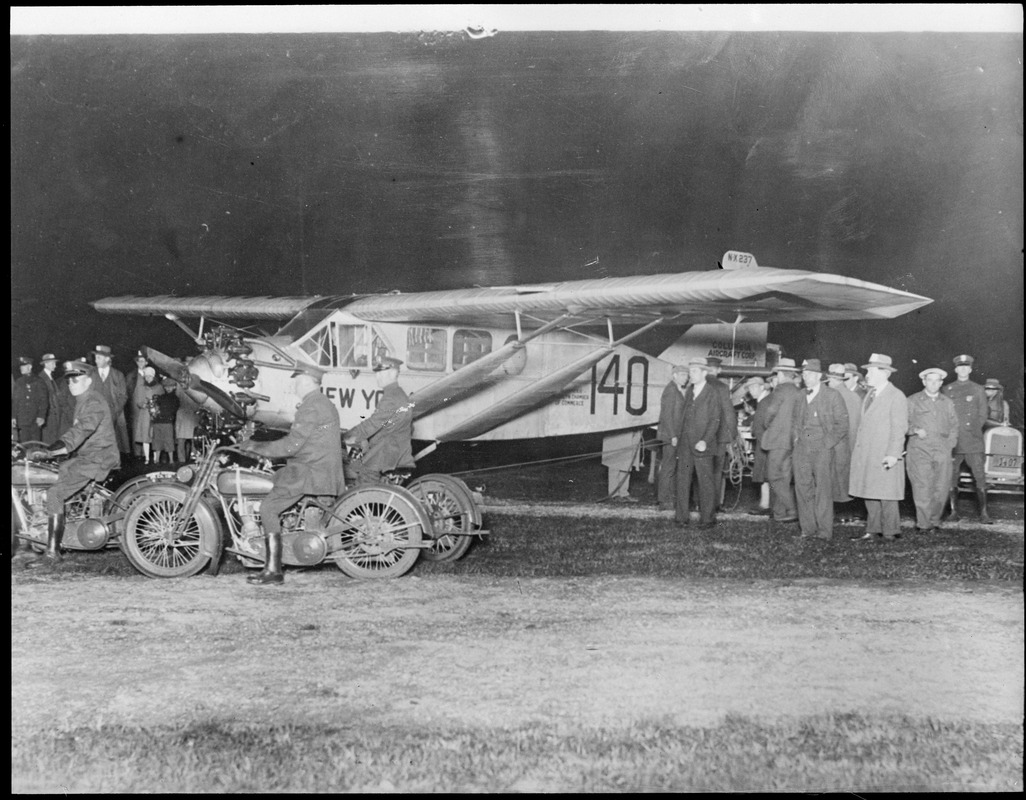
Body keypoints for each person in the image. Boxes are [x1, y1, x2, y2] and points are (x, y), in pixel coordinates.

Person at [241, 364, 345, 585]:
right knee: (274, 481)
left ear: (307, 381)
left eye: (296, 382)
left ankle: (273, 571)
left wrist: (255, 447)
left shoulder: (311, 406)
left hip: (309, 471)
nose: (294, 386)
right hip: (317, 468)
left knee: (268, 507)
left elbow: (292, 446)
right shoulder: (321, 403)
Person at [24, 361, 121, 565]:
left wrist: (52, 450)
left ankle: (52, 553)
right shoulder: (84, 399)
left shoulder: (93, 401)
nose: (71, 383)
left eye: (76, 379)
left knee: (55, 493)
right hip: (89, 456)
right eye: (68, 380)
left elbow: (81, 430)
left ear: (89, 380)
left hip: (97, 459)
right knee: (57, 472)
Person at [849, 354, 908, 542]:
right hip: (868, 453)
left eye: (871, 371)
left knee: (887, 494)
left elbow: (900, 428)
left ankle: (891, 532)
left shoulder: (896, 395)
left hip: (884, 453)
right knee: (870, 492)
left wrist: (893, 454)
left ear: (884, 373)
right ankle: (873, 530)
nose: (867, 374)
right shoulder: (870, 394)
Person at [791, 359, 849, 540]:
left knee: (823, 490)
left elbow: (842, 424)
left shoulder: (832, 395)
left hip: (822, 449)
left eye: (809, 374)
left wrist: (826, 444)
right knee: (802, 487)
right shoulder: (800, 395)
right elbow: (795, 421)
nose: (805, 377)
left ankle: (824, 531)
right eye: (803, 374)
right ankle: (807, 529)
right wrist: (796, 440)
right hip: (802, 449)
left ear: (818, 376)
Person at [344, 357, 416, 486]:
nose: (377, 376)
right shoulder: (400, 395)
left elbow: (372, 424)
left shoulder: (391, 398)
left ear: (393, 373)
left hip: (385, 456)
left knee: (361, 483)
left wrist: (347, 435)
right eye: (377, 373)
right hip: (398, 452)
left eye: (381, 373)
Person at [906, 366, 959, 533]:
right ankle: (923, 524)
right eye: (930, 380)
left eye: (937, 381)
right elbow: (902, 423)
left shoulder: (947, 402)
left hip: (942, 450)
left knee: (941, 487)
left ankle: (934, 521)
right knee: (922, 486)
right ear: (924, 381)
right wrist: (914, 430)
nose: (933, 384)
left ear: (941, 382)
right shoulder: (913, 400)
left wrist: (950, 445)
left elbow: (954, 426)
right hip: (920, 450)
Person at [673, 357, 722, 530]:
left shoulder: (712, 393)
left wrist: (704, 440)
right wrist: (677, 438)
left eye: (694, 371)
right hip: (686, 445)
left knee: (705, 482)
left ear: (704, 373)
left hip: (702, 445)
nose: (690, 375)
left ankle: (708, 519)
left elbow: (715, 420)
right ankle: (681, 517)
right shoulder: (689, 392)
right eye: (690, 371)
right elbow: (684, 417)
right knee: (682, 481)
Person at [941, 354, 991, 524]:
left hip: (972, 440)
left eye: (966, 367)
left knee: (979, 475)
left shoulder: (978, 389)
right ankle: (954, 512)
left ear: (970, 369)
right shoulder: (947, 389)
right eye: (959, 367)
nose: (963, 369)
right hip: (954, 441)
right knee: (951, 475)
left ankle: (984, 513)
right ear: (955, 369)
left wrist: (973, 429)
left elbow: (983, 414)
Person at [758, 357, 801, 523]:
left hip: (777, 440)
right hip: (791, 441)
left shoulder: (780, 390)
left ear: (782, 374)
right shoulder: (798, 391)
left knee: (773, 476)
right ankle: (780, 513)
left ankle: (791, 508)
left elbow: (770, 412)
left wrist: (768, 424)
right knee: (784, 477)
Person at [704, 357, 738, 512]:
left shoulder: (696, 385)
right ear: (718, 370)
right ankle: (714, 504)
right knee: (716, 471)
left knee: (700, 469)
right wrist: (733, 435)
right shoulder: (722, 387)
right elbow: (729, 413)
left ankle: (699, 502)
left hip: (699, 436)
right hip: (718, 437)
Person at [826, 363, 862, 507]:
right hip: (849, 445)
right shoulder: (854, 397)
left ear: (833, 379)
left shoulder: (832, 396)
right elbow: (855, 425)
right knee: (844, 482)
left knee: (834, 483)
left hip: (834, 446)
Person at [656, 364, 690, 510]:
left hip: (675, 435)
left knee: (671, 467)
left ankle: (668, 498)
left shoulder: (676, 389)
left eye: (687, 376)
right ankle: (664, 500)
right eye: (682, 375)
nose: (686, 378)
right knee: (668, 467)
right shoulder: (671, 390)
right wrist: (672, 435)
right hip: (671, 436)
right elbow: (667, 416)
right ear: (674, 376)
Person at [91, 345, 130, 458]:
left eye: (98, 357)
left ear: (107, 359)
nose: (95, 360)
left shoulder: (118, 375)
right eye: (95, 357)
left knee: (115, 444)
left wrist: (114, 412)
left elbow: (123, 396)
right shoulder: (90, 373)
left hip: (114, 414)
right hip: (95, 414)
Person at [744, 376, 772, 515]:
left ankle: (766, 504)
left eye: (754, 387)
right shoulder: (762, 401)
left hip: (765, 442)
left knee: (765, 473)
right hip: (763, 441)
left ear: (762, 387)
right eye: (749, 387)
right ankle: (764, 503)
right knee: (763, 474)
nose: (751, 390)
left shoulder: (766, 401)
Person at [12, 356, 47, 443]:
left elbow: (44, 400)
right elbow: (15, 401)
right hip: (22, 420)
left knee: (35, 445)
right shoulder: (18, 382)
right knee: (24, 445)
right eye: (20, 366)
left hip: (34, 420)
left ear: (30, 367)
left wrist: (41, 416)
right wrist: (13, 417)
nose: (21, 368)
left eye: (23, 366)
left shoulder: (38, 381)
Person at [132, 365, 163, 464]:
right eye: (146, 377)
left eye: (150, 376)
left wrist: (156, 406)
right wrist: (143, 404)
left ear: (153, 377)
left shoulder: (159, 387)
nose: (148, 378)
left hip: (155, 414)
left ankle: (155, 458)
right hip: (145, 414)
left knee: (155, 436)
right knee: (145, 437)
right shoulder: (141, 388)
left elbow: (162, 401)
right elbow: (138, 401)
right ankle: (147, 458)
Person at [174, 363, 202, 463]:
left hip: (189, 413)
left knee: (189, 440)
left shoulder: (179, 383)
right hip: (190, 413)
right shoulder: (197, 381)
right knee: (191, 439)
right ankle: (192, 459)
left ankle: (185, 460)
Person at [125, 351, 151, 460]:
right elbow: (127, 390)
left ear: (146, 362)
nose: (141, 363)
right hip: (135, 405)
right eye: (139, 361)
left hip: (148, 405)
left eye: (143, 361)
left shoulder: (151, 374)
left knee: (147, 428)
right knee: (136, 428)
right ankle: (137, 453)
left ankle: (147, 454)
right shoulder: (131, 375)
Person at [150, 376, 180, 464]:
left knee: (169, 441)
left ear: (174, 387)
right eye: (166, 387)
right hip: (158, 422)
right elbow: (155, 409)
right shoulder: (160, 397)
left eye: (170, 386)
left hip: (167, 422)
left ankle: (171, 460)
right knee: (157, 441)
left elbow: (174, 410)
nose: (168, 388)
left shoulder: (175, 399)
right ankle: (157, 460)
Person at [37, 354, 62, 445]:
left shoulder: (50, 378)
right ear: (46, 364)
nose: (55, 366)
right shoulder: (41, 378)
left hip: (54, 416)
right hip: (48, 417)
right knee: (48, 441)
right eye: (53, 363)